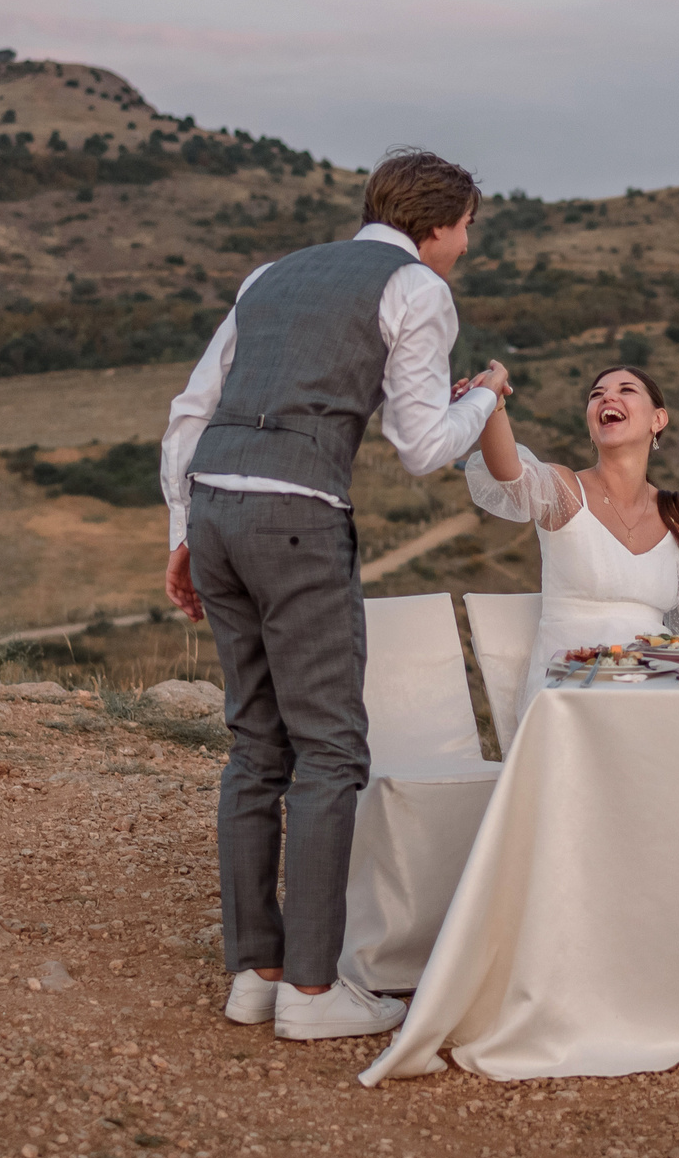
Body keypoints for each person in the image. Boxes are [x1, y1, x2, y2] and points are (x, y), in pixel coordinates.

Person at [160, 148, 508, 1042]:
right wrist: (488, 398)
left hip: (215, 509)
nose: (464, 245)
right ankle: (312, 994)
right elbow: (424, 444)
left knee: (254, 742)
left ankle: (255, 974)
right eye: (466, 228)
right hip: (297, 519)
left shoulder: (271, 275)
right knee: (329, 749)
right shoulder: (418, 288)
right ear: (438, 226)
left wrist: (181, 531)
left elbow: (192, 408)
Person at [466, 364, 679, 724]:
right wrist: (493, 403)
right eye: (597, 394)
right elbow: (508, 472)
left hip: (658, 682)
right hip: (570, 687)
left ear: (658, 420)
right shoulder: (565, 491)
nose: (608, 397)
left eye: (626, 390)